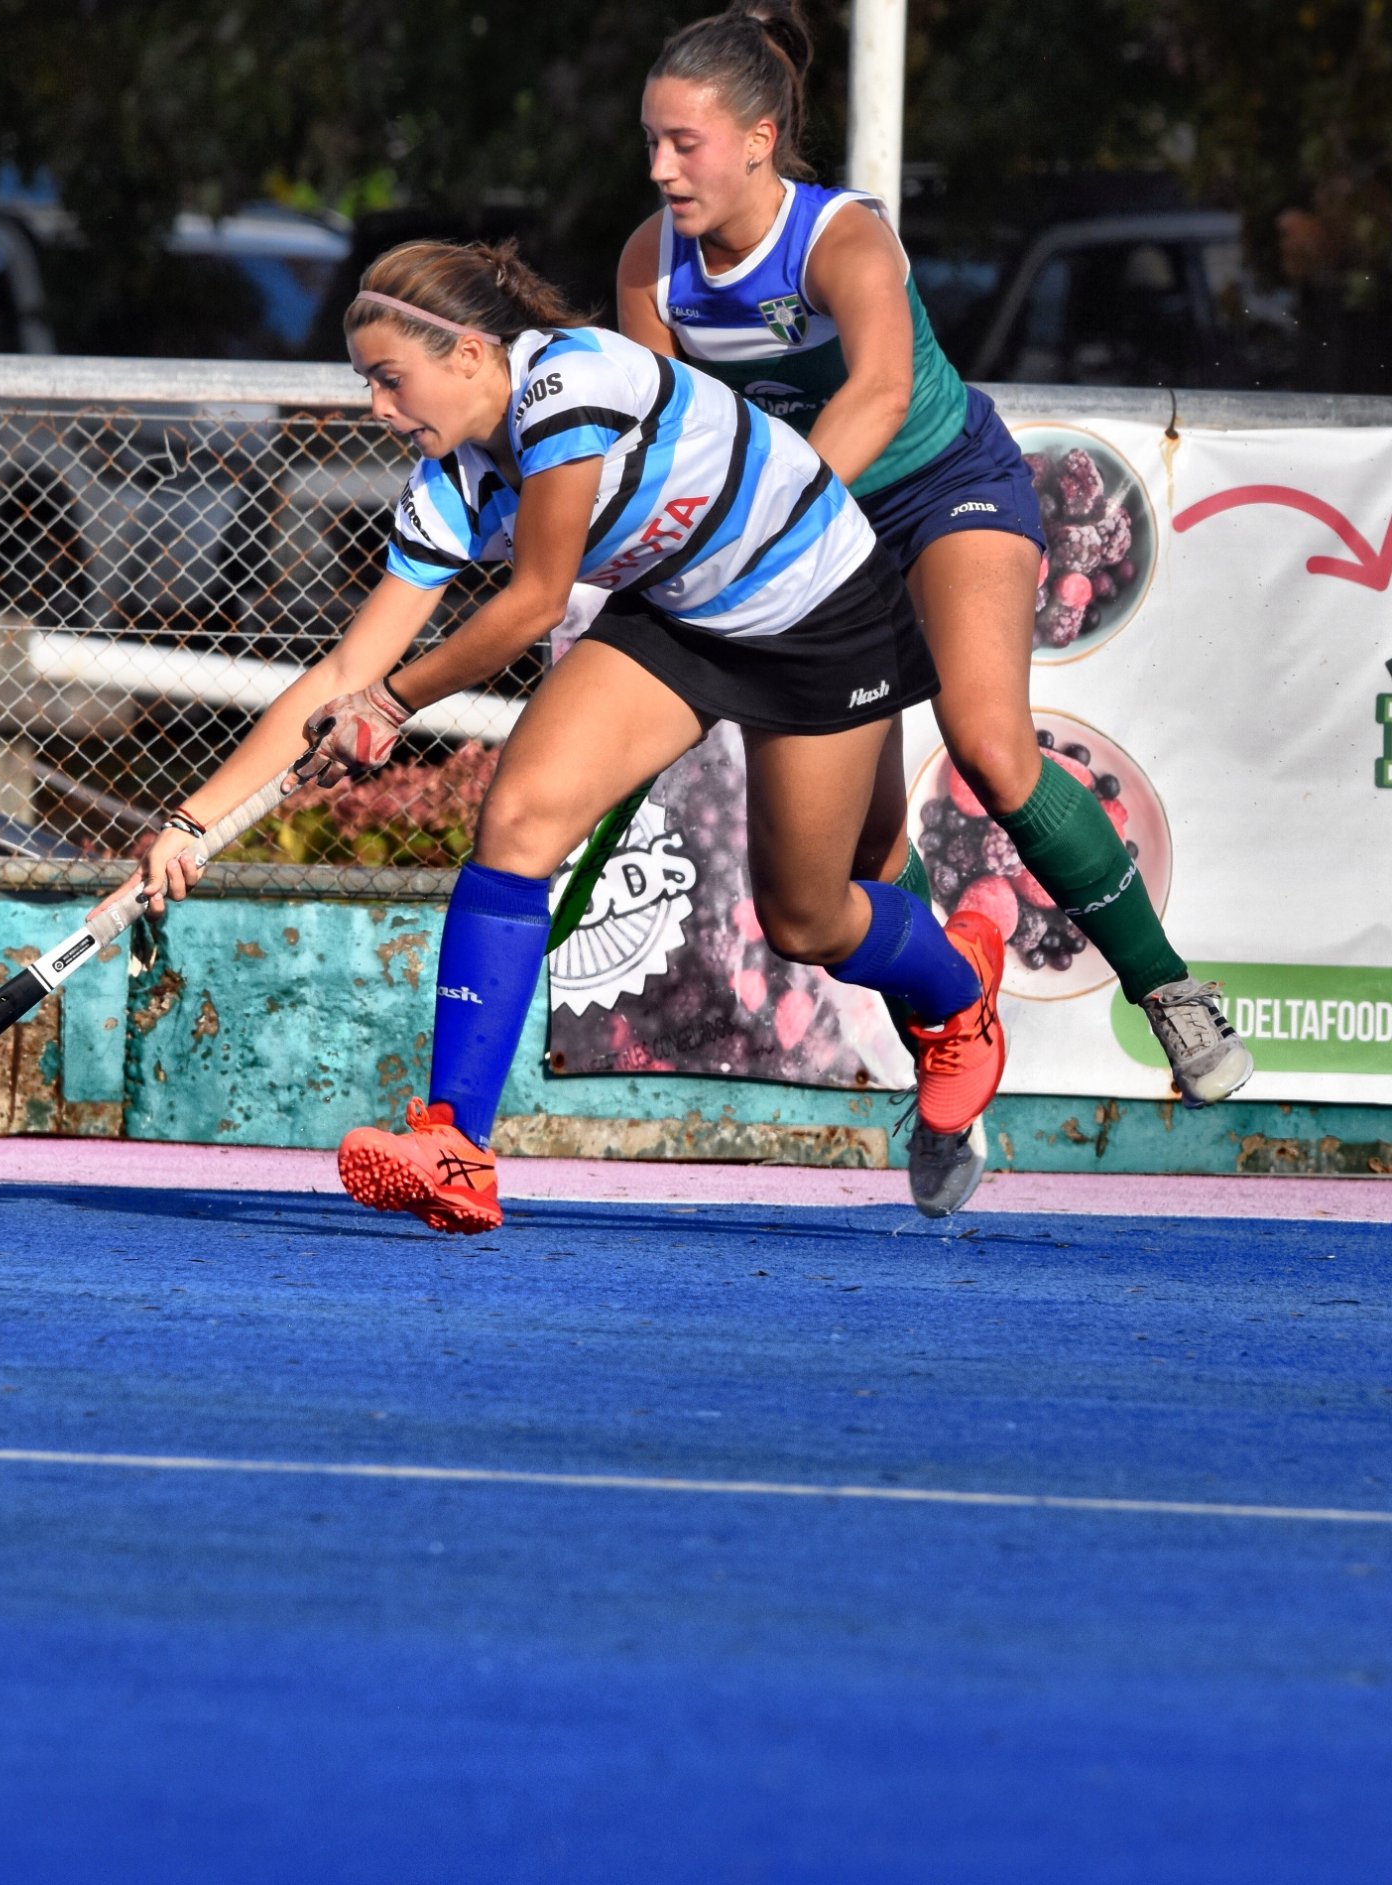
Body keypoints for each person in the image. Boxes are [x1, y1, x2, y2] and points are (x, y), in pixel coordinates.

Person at [117, 237, 1005, 1233]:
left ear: (466, 356)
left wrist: (390, 706)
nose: (376, 407)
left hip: (815, 608)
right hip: (677, 613)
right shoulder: (446, 487)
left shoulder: (566, 382)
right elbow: (338, 674)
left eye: (388, 379)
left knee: (804, 920)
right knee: (519, 822)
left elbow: (537, 599)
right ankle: (457, 1148)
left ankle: (957, 984)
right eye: (367, 383)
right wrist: (191, 821)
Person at [611, 1, 1252, 1188]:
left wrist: (766, 513)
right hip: (804, 535)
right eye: (647, 141)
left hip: (932, 491)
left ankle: (1166, 986)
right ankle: (951, 1037)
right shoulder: (649, 262)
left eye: (681, 143)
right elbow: (667, 429)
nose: (658, 169)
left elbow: (877, 395)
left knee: (987, 740)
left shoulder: (841, 236)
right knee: (855, 858)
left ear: (758, 138)